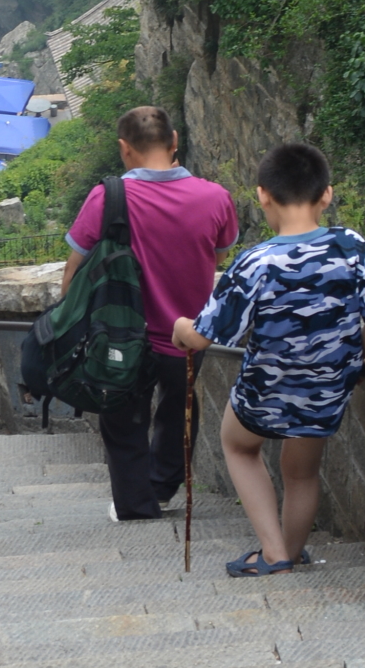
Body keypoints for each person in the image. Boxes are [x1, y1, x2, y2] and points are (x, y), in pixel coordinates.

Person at [172, 138, 365, 577]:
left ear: (262, 195)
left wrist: (181, 327)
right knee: (301, 472)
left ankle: (273, 553)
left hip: (266, 389)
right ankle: (290, 553)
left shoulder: (255, 261)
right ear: (327, 194)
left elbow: (201, 337)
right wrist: (354, 355)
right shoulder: (353, 247)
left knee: (238, 445)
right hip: (327, 389)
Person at [60, 106, 241, 523]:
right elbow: (219, 256)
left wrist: (70, 321)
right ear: (175, 141)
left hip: (124, 337)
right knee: (180, 408)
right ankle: (161, 486)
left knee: (122, 418)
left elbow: (75, 265)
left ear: (124, 149)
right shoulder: (216, 197)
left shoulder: (107, 196)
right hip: (191, 335)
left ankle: (136, 505)